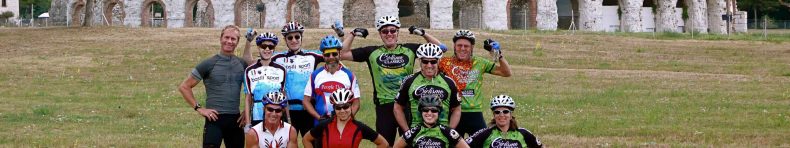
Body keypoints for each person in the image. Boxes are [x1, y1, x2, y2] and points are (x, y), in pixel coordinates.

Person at [336, 15, 444, 145]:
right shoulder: (371, 52)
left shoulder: (409, 49)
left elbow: (441, 49)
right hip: (384, 107)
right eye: (384, 31)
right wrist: (352, 34)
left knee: (410, 143)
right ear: (380, 34)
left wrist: (424, 34)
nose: (389, 34)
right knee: (385, 144)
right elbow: (341, 55)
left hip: (407, 105)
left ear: (398, 32)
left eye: (393, 30)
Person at [177, 25, 253, 148]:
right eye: (226, 37)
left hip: (236, 119)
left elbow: (251, 89)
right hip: (214, 120)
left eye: (233, 39)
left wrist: (247, 110)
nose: (229, 41)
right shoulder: (208, 63)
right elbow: (184, 86)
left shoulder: (241, 64)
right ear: (220, 39)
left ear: (237, 42)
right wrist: (199, 108)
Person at [438, 30, 512, 137]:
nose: (462, 49)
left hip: (474, 112)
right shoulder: (445, 63)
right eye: (459, 45)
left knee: (484, 142)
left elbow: (506, 72)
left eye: (466, 46)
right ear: (454, 46)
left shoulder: (480, 63)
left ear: (472, 47)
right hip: (452, 111)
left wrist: (499, 54)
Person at [271, 22, 325, 136]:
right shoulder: (277, 58)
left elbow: (336, 53)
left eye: (297, 37)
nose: (294, 40)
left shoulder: (312, 56)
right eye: (290, 37)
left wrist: (341, 35)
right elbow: (252, 63)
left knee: (311, 143)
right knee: (288, 143)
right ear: (285, 40)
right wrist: (248, 42)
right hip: (288, 110)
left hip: (309, 109)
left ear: (301, 38)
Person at [394, 43, 461, 132]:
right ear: (420, 61)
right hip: (416, 134)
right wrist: (407, 132)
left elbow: (456, 109)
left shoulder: (449, 82)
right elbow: (397, 107)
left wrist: (450, 131)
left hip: (442, 134)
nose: (429, 65)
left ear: (438, 61)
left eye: (433, 61)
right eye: (425, 61)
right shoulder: (409, 81)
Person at [303, 35, 361, 125]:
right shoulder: (315, 75)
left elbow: (356, 103)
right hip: (321, 124)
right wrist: (319, 117)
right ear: (323, 55)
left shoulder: (349, 75)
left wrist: (347, 118)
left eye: (334, 54)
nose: (331, 57)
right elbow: (306, 101)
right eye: (327, 54)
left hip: (343, 125)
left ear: (340, 53)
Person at [302, 89, 389, 148]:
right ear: (334, 109)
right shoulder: (325, 125)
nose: (342, 111)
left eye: (346, 107)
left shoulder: (359, 127)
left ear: (351, 106)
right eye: (338, 108)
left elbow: (383, 143)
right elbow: (306, 139)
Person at [243, 32, 288, 127]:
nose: (267, 49)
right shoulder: (250, 70)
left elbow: (284, 94)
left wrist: (288, 118)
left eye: (270, 47)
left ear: (274, 49)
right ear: (259, 47)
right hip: (257, 114)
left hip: (276, 114)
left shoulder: (281, 69)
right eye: (264, 46)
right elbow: (248, 98)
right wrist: (247, 123)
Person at [465, 95, 543, 148]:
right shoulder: (485, 133)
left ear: (511, 114)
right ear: (494, 115)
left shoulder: (523, 133)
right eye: (497, 112)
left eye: (505, 111)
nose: (501, 115)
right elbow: (464, 145)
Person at [393, 97, 469, 148]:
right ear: (421, 112)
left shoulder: (448, 132)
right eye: (425, 110)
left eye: (434, 110)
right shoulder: (413, 132)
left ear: (439, 112)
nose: (429, 113)